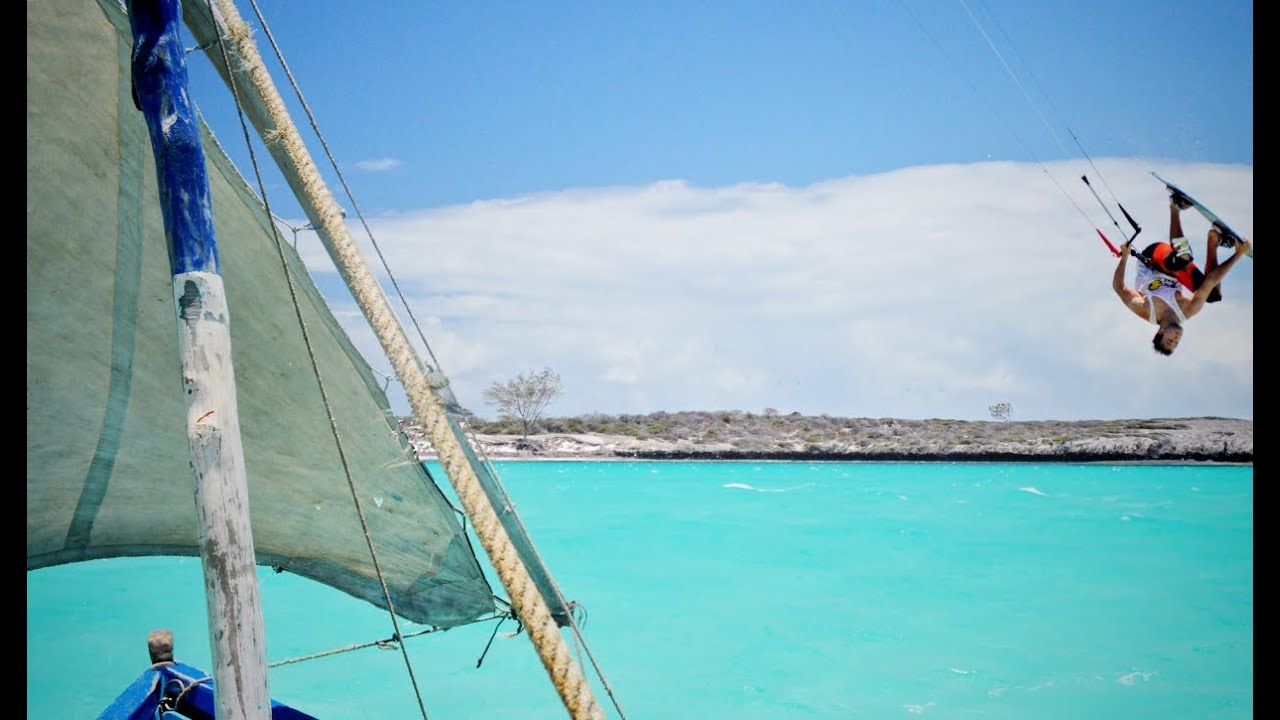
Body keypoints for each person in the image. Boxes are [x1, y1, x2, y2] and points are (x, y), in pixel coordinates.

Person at [1112, 191, 1251, 355]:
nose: (1176, 338)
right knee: (1212, 294)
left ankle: (1174, 207)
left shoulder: (1146, 310)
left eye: (1170, 340)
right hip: (1176, 272)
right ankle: (1214, 239)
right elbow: (1210, 282)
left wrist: (1125, 256)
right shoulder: (1188, 309)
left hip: (1153, 259)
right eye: (1176, 343)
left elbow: (1119, 287)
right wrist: (1237, 254)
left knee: (1181, 259)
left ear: (1161, 332)